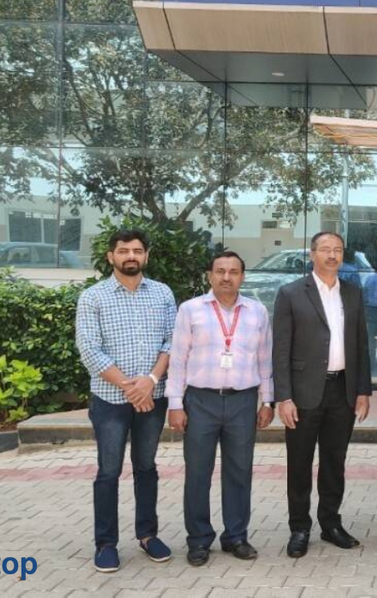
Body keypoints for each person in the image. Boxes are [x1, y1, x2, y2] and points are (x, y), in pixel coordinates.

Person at [75, 228, 176, 573]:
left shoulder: (162, 294)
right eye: (123, 250)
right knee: (109, 470)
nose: (130, 256)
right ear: (111, 256)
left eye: (136, 250)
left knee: (146, 467)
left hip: (153, 397)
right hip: (109, 401)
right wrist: (130, 389)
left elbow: (171, 343)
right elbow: (90, 350)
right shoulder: (93, 297)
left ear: (146, 255)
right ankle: (106, 543)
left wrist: (149, 382)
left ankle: (147, 536)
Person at [166, 251, 274, 567]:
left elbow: (265, 360)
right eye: (220, 271)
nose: (226, 277)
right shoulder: (190, 310)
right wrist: (175, 404)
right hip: (200, 401)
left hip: (243, 401)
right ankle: (198, 540)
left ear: (243, 276)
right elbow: (177, 359)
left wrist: (267, 401)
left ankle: (236, 536)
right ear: (210, 275)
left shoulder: (257, 312)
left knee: (239, 472)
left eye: (234, 271)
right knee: (198, 473)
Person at [273, 232, 372, 557]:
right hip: (303, 393)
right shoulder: (290, 293)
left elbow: (360, 344)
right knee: (299, 464)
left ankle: (330, 523)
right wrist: (283, 397)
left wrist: (363, 391)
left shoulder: (354, 294)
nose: (332, 255)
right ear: (313, 254)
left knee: (335, 462)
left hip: (342, 390)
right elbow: (281, 349)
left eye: (338, 250)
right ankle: (299, 528)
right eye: (326, 249)